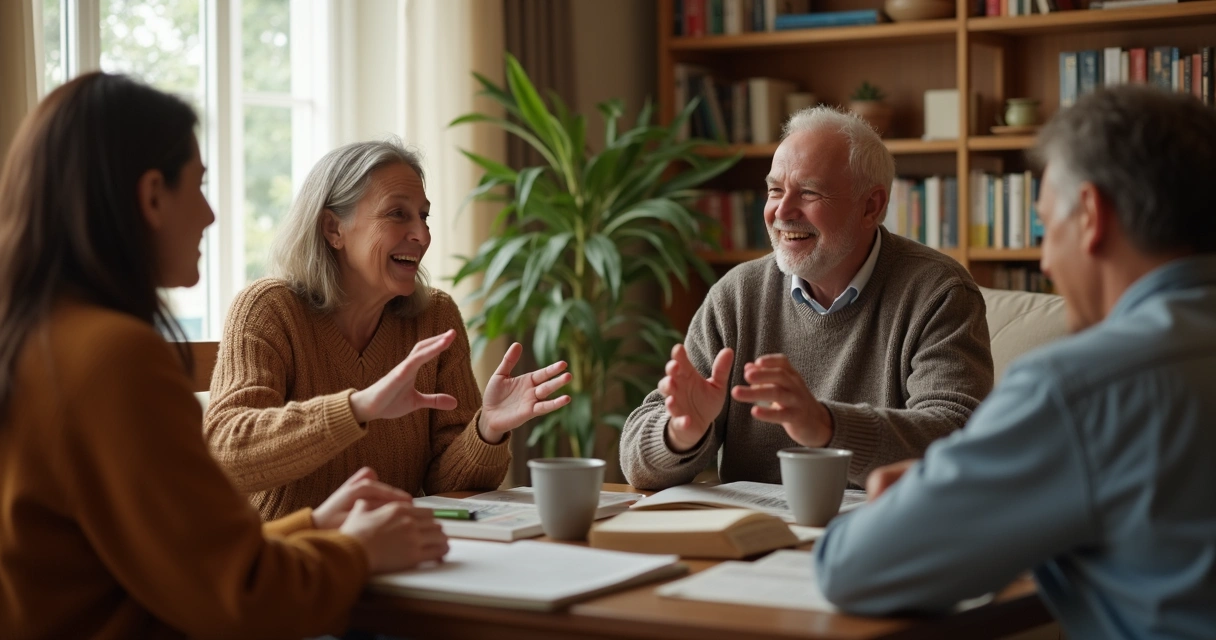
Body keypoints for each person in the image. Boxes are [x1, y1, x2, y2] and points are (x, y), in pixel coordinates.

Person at [0, 72, 448, 639]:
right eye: (200, 184)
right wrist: (354, 551)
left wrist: (315, 526)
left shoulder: (38, 339)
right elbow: (238, 598)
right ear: (152, 195)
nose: (211, 215)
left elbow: (181, 560)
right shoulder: (115, 358)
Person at [814, 86, 1216, 638]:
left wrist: (924, 497)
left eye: (1047, 227)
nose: (1047, 262)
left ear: (1092, 216)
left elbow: (851, 569)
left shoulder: (1079, 388)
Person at [620, 106, 993, 490]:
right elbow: (636, 462)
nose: (781, 211)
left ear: (871, 206)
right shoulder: (736, 295)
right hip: (751, 538)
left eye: (809, 192)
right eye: (775, 190)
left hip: (880, 533)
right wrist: (681, 434)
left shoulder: (938, 292)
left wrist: (825, 425)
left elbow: (958, 437)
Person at [203, 139, 571, 519]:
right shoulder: (269, 309)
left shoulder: (435, 317)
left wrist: (487, 429)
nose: (422, 236)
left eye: (423, 217)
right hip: (291, 561)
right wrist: (359, 407)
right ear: (333, 228)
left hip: (394, 553)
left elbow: (448, 486)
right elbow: (226, 452)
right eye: (397, 214)